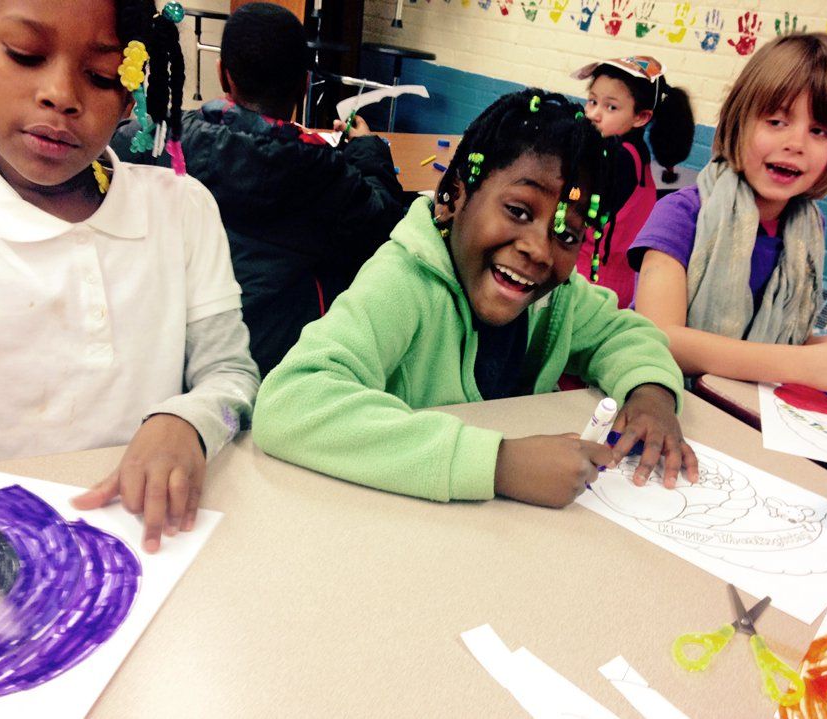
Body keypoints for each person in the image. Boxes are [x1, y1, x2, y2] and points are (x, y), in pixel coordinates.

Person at [252, 89, 699, 509]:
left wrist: (651, 394)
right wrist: (500, 464)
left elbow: (624, 333)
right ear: (453, 196)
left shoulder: (554, 299)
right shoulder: (404, 281)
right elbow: (290, 401)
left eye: (565, 233)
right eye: (519, 211)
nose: (540, 250)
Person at [0, 0, 261, 552]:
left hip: (140, 545)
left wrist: (187, 421)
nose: (62, 96)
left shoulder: (181, 210)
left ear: (130, 94)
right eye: (25, 55)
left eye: (100, 75)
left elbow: (231, 376)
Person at [112, 2, 407, 377]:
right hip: (278, 370)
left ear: (223, 76)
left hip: (168, 360)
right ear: (303, 86)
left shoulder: (149, 146)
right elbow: (385, 226)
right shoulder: (323, 175)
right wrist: (368, 147)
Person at [630, 33, 827, 401]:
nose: (796, 143)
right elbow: (659, 337)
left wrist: (820, 347)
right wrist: (802, 362)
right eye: (776, 121)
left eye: (819, 131)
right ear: (739, 121)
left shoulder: (808, 230)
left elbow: (771, 334)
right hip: (659, 402)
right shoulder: (682, 214)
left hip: (745, 414)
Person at [572, 55, 693, 308]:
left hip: (586, 291)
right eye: (592, 101)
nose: (594, 113)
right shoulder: (636, 154)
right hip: (620, 289)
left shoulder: (615, 158)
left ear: (641, 117)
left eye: (611, 107)